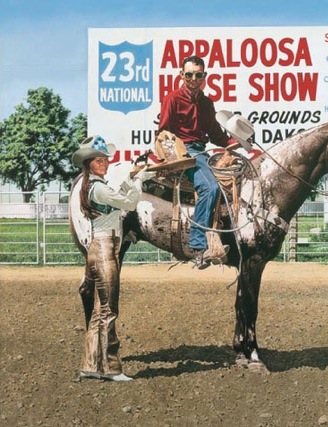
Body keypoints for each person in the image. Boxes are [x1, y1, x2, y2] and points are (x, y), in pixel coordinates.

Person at [72, 135, 155, 381]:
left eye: (105, 159)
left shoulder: (96, 187)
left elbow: (117, 209)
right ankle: (112, 368)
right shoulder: (98, 188)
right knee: (109, 309)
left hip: (101, 246)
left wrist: (134, 179)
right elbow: (130, 203)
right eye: (99, 160)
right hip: (105, 250)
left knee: (100, 311)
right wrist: (137, 181)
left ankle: (90, 365)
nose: (105, 162)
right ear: (89, 164)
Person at [158, 55, 250, 269]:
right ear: (181, 75)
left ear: (204, 77)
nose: (193, 78)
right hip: (184, 153)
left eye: (198, 75)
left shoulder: (207, 103)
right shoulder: (172, 99)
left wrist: (233, 142)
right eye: (189, 74)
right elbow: (163, 131)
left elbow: (216, 134)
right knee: (209, 187)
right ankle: (199, 246)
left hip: (201, 151)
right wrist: (173, 156)